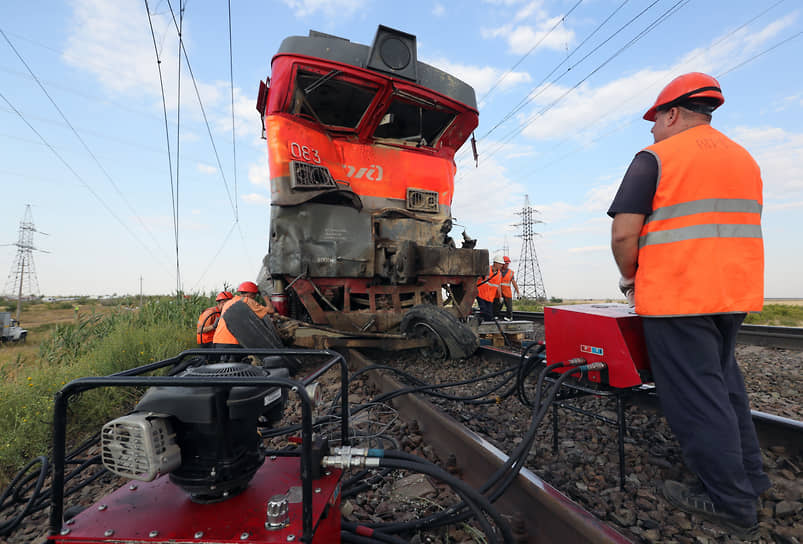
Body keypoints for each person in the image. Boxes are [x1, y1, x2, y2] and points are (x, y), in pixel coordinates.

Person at [607, 72, 769, 538]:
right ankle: (752, 478)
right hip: (732, 294)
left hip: (678, 295)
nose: (651, 130)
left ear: (672, 113)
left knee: (695, 397)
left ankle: (730, 501)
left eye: (654, 120)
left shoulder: (655, 157)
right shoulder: (744, 159)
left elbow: (624, 233)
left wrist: (628, 278)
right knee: (724, 385)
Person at [213, 281, 276, 349]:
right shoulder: (247, 300)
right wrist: (265, 296)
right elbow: (271, 310)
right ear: (249, 294)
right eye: (255, 294)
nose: (255, 297)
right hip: (234, 342)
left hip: (219, 341)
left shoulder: (229, 302)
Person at [476, 254, 503, 322]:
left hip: (490, 297)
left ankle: (486, 326)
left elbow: (498, 286)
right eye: (500, 264)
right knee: (484, 311)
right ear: (495, 263)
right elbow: (476, 279)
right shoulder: (486, 269)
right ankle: (480, 323)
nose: (501, 266)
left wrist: (500, 296)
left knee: (489, 315)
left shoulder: (499, 274)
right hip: (481, 294)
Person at [493, 256, 520, 320]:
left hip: (507, 292)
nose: (507, 265)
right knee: (497, 305)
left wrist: (518, 292)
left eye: (508, 263)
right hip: (498, 292)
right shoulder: (497, 271)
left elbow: (514, 283)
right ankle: (495, 316)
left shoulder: (510, 272)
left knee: (509, 306)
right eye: (506, 263)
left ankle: (509, 317)